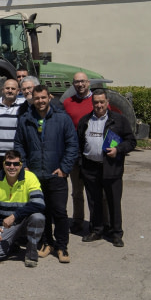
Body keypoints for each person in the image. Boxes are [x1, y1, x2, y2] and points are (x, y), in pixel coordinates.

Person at [14, 84, 78, 263]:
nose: (40, 101)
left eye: (43, 98)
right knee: (42, 212)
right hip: (35, 176)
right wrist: (24, 166)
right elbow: (19, 145)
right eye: (37, 98)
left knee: (59, 211)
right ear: (32, 99)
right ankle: (46, 242)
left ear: (49, 97)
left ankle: (62, 246)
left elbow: (72, 145)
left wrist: (65, 168)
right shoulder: (25, 119)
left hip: (56, 175)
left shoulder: (62, 119)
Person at [77, 89, 136, 247]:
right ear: (92, 103)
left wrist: (119, 149)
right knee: (94, 201)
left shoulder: (119, 120)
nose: (99, 105)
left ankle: (116, 233)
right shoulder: (85, 121)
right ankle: (96, 229)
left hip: (111, 168)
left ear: (107, 102)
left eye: (102, 102)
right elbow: (79, 143)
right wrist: (82, 164)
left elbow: (131, 141)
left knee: (113, 202)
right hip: (91, 168)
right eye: (96, 102)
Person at [0, 150, 46, 267]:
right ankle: (11, 244)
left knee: (38, 217)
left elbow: (39, 204)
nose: (12, 167)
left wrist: (14, 216)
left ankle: (31, 252)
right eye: (8, 164)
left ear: (21, 165)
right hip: (4, 226)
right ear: (3, 164)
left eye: (16, 164)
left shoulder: (30, 178)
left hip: (24, 222)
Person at [63, 72, 93, 234]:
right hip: (74, 153)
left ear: (88, 82)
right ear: (73, 84)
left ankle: (99, 222)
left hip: (93, 154)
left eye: (82, 81)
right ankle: (78, 220)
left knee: (96, 191)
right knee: (76, 191)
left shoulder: (97, 101)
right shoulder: (68, 103)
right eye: (77, 82)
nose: (80, 84)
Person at [0, 79, 23, 168]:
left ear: (18, 91)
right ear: (2, 90)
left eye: (13, 89)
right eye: (7, 88)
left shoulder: (23, 105)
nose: (10, 91)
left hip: (16, 155)